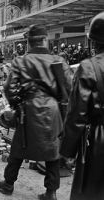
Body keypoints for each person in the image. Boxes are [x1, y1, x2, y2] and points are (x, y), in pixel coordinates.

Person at [0, 24, 72, 200]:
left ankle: (8, 184)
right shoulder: (58, 60)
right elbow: (69, 87)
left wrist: (16, 104)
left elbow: (8, 88)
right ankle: (51, 193)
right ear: (45, 40)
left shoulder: (21, 61)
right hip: (52, 111)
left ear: (28, 42)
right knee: (53, 151)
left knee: (19, 147)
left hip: (28, 110)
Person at [60, 11, 104, 200]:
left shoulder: (88, 67)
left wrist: (67, 151)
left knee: (90, 192)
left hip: (98, 141)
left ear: (93, 42)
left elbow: (77, 115)